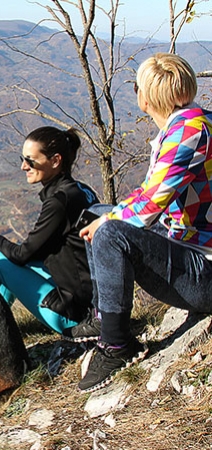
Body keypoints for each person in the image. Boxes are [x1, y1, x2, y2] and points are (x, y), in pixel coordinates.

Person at [64, 53, 212, 393]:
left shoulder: (189, 132)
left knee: (111, 233)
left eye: (136, 88)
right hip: (191, 243)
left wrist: (107, 225)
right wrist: (105, 218)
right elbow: (148, 193)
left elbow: (148, 208)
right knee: (100, 215)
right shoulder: (188, 124)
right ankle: (104, 317)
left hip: (205, 270)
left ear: (147, 97)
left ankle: (117, 346)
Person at [0, 126, 99, 334]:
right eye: (22, 159)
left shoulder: (60, 203)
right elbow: (39, 252)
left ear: (55, 161)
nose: (24, 166)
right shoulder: (80, 191)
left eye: (31, 160)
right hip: (89, 303)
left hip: (71, 315)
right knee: (4, 261)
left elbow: (22, 255)